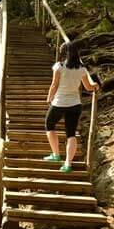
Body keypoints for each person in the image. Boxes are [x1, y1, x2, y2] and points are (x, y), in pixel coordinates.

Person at [44, 41, 99, 173]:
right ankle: (68, 164)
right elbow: (88, 87)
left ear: (64, 53)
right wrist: (96, 86)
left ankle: (56, 154)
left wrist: (49, 97)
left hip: (59, 103)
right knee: (71, 134)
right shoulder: (82, 69)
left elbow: (54, 85)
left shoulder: (59, 66)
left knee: (49, 124)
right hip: (75, 104)